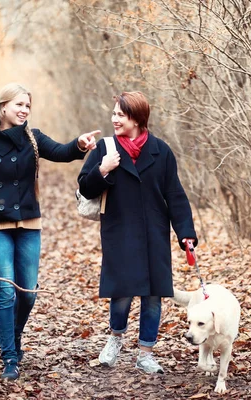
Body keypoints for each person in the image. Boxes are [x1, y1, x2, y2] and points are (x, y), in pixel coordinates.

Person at [0, 82, 97, 380]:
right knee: (5, 290)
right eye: (19, 105)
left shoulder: (33, 139)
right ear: (3, 106)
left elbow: (61, 151)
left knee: (29, 294)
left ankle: (14, 336)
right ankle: (9, 355)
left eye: (28, 106)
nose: (24, 111)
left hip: (29, 226)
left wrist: (80, 144)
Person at [77, 91, 197, 374]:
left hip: (155, 233)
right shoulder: (105, 149)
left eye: (121, 114)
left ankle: (146, 353)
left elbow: (175, 195)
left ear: (137, 118)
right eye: (114, 113)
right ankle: (115, 338)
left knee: (154, 295)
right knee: (121, 292)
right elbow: (84, 186)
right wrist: (102, 170)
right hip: (119, 231)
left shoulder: (161, 151)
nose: (114, 119)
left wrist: (185, 233)